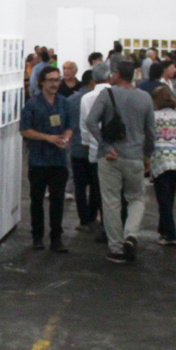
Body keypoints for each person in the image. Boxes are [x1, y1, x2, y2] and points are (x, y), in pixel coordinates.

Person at [85, 61, 156, 264]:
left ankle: (116, 248)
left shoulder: (106, 94)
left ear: (117, 75)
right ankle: (131, 235)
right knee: (137, 199)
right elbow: (151, 132)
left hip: (111, 157)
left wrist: (105, 145)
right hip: (135, 157)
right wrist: (147, 155)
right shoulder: (145, 98)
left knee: (111, 202)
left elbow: (91, 121)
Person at [20, 65, 74, 252]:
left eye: (57, 80)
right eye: (51, 80)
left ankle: (56, 238)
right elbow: (24, 130)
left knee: (57, 201)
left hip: (59, 160)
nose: (55, 84)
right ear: (42, 82)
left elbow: (70, 126)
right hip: (38, 160)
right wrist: (48, 138)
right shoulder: (32, 104)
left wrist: (66, 139)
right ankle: (37, 236)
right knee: (36, 200)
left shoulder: (64, 103)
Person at [79, 62, 112, 238]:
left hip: (94, 149)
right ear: (110, 76)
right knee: (112, 192)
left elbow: (84, 126)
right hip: (114, 149)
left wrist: (87, 143)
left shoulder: (87, 98)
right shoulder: (115, 94)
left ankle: (100, 222)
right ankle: (110, 226)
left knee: (97, 188)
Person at [150, 87, 176, 246]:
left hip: (160, 160)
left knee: (163, 200)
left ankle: (171, 234)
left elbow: (149, 137)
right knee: (169, 198)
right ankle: (163, 229)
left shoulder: (154, 116)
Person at [67, 71, 97, 233]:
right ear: (93, 82)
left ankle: (83, 219)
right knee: (95, 186)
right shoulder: (99, 99)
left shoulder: (71, 100)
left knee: (80, 186)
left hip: (77, 148)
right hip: (95, 148)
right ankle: (92, 216)